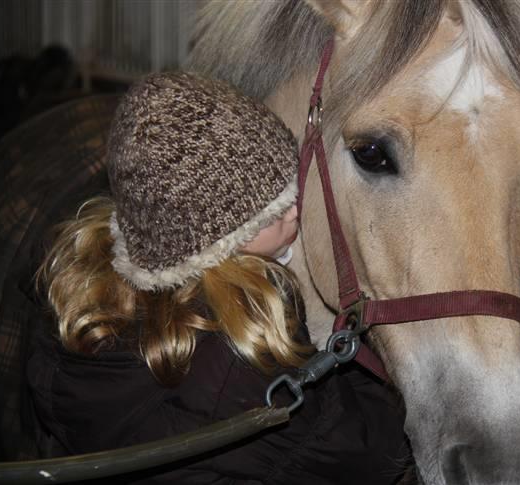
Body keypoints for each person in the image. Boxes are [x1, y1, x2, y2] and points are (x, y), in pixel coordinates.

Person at [27, 72, 409, 484]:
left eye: (290, 188)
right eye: (272, 211)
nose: (296, 209)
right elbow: (363, 452)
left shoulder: (79, 308)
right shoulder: (240, 359)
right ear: (220, 242)